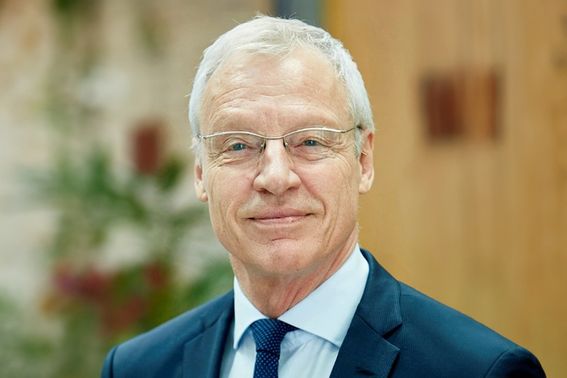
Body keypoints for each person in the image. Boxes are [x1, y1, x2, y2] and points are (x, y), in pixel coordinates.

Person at [101, 16, 545, 378]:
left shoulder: (477, 369)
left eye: (310, 142)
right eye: (238, 145)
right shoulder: (140, 367)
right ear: (201, 173)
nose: (275, 178)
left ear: (364, 160)